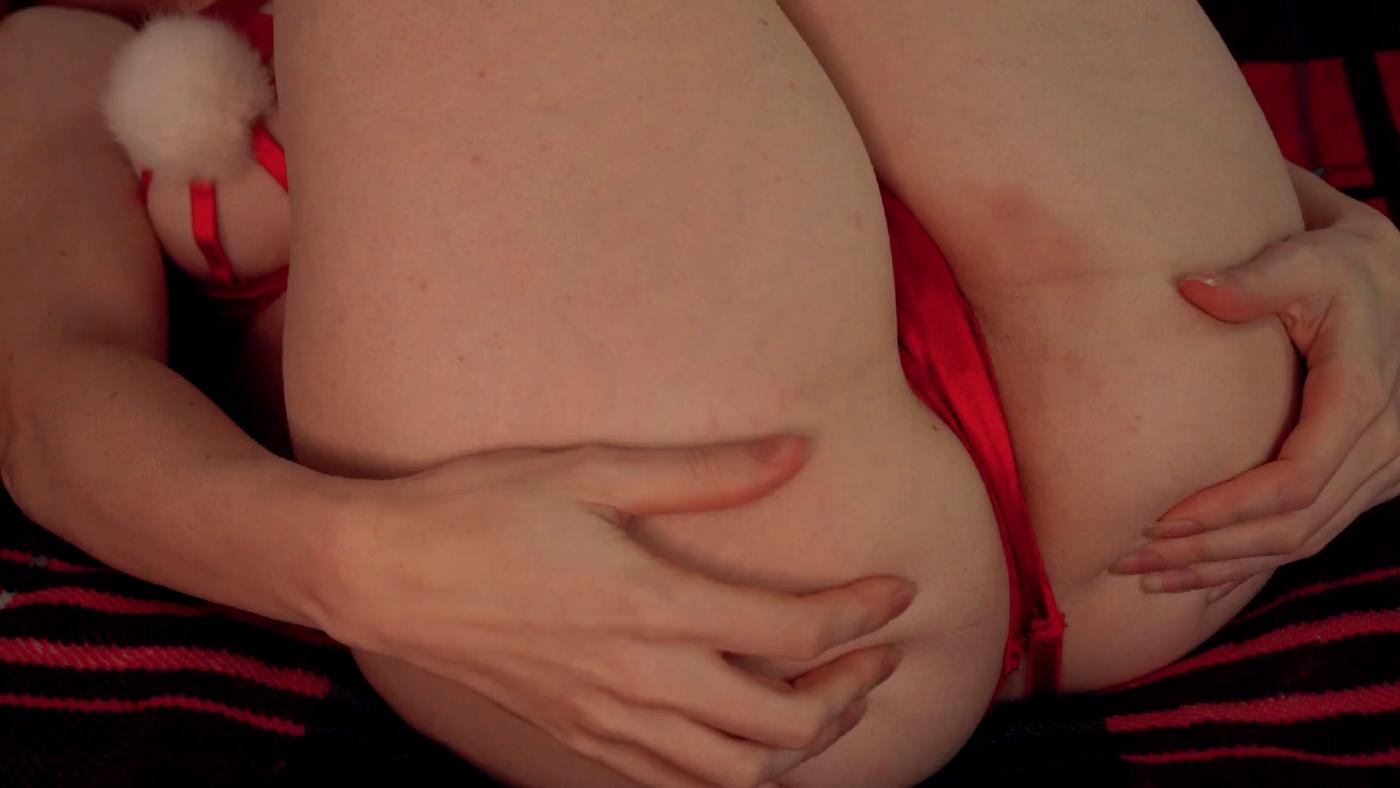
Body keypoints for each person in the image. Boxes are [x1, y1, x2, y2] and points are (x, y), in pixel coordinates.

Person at [1, 2, 1398, 786]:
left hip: (1174, 478)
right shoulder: (64, 59)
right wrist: (354, 567)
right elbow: (46, 398)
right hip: (713, 595)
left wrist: (1363, 246)